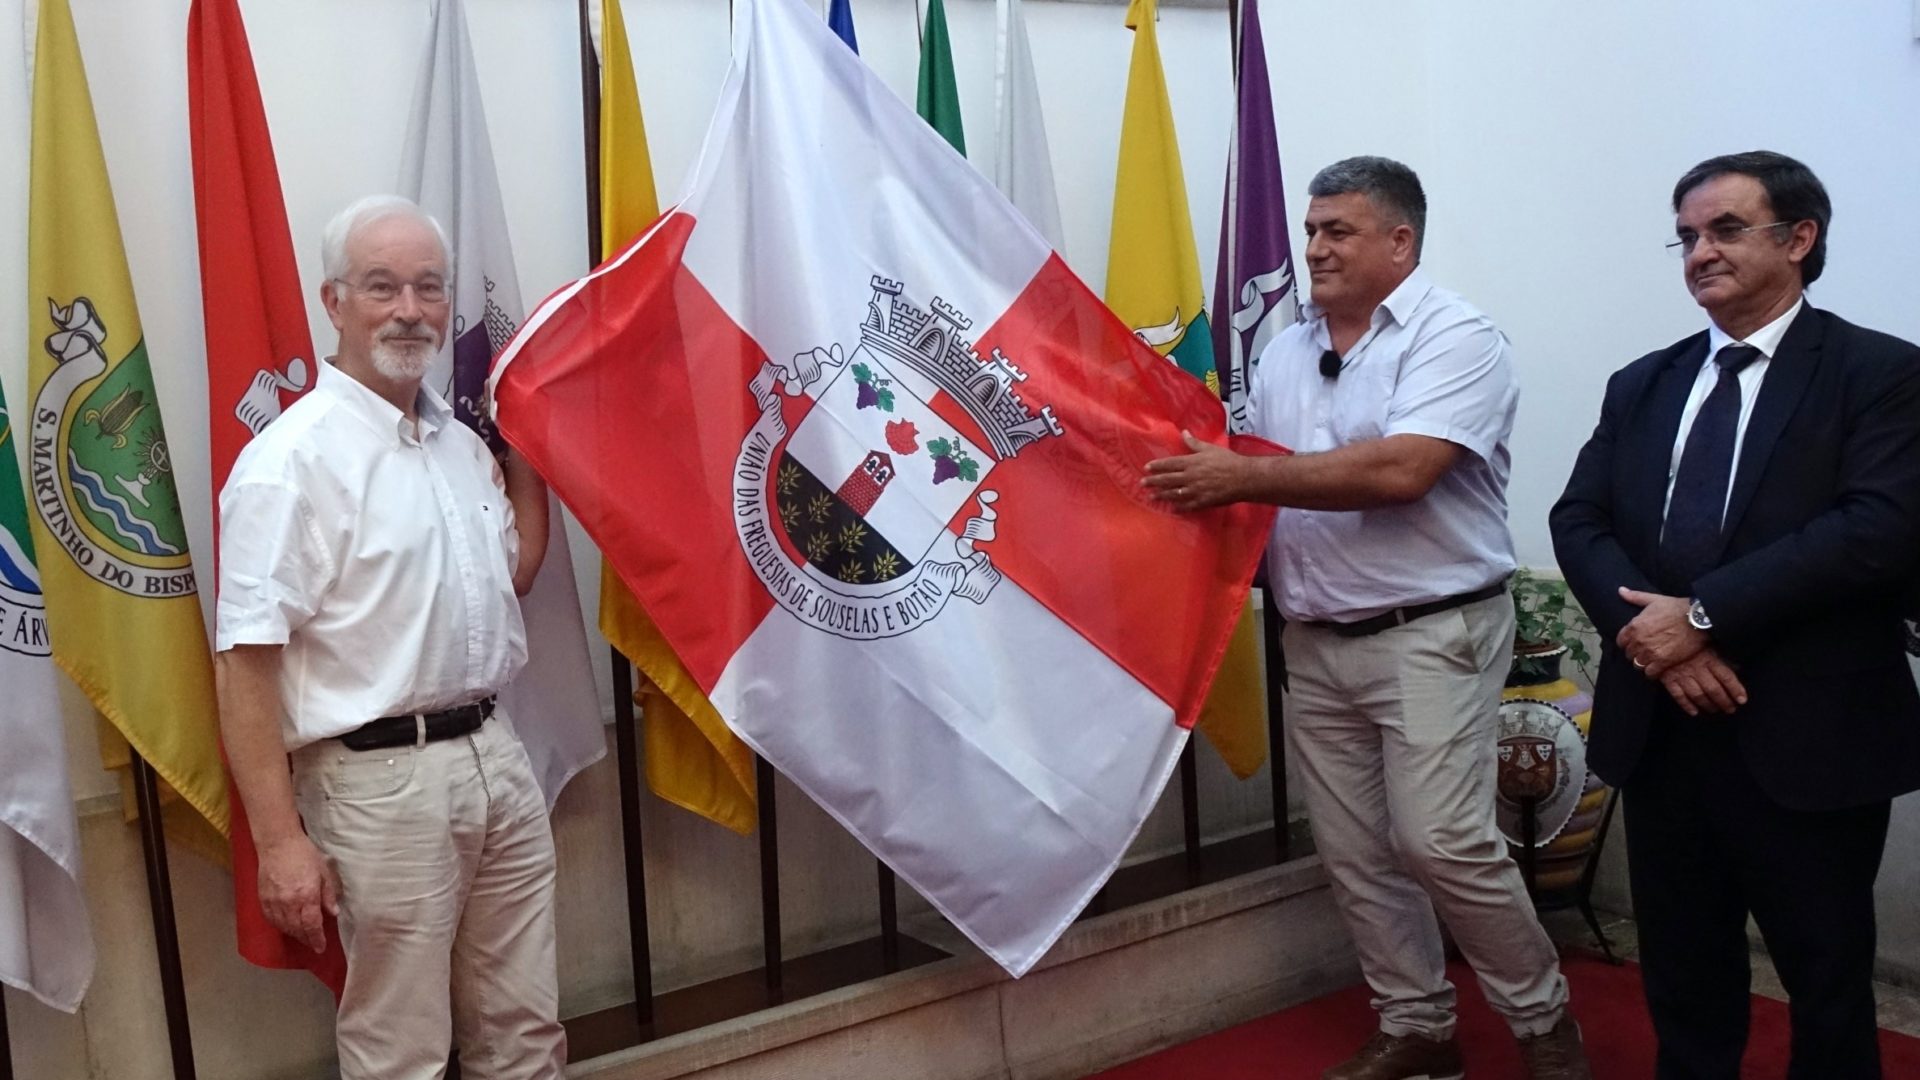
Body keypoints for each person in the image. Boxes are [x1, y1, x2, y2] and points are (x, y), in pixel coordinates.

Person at [1146, 156, 1589, 1080]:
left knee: (1443, 842)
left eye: (1336, 231)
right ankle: (1419, 1028)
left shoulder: (1456, 337)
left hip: (1431, 632)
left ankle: (1544, 1024)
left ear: (1401, 240)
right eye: (1311, 230)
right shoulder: (1283, 346)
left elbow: (1401, 472)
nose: (1314, 248)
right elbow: (1254, 476)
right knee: (1355, 855)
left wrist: (1241, 476)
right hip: (1314, 639)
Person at [1550, 150, 1920, 1079]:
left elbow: (1875, 529)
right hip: (1664, 725)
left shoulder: (1880, 372)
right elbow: (1579, 518)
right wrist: (1660, 645)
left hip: (1809, 728)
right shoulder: (1645, 382)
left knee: (1825, 974)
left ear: (1800, 239)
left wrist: (1704, 618)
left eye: (1723, 229)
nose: (1699, 252)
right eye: (1685, 237)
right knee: (1684, 969)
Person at [214, 195, 566, 1079]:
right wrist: (282, 841)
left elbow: (506, 575)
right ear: (332, 302)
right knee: (401, 1048)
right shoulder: (291, 464)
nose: (410, 309)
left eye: (428, 287)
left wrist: (535, 451)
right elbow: (245, 667)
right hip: (379, 787)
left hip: (496, 759)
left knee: (525, 1033)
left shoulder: (456, 445)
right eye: (382, 286)